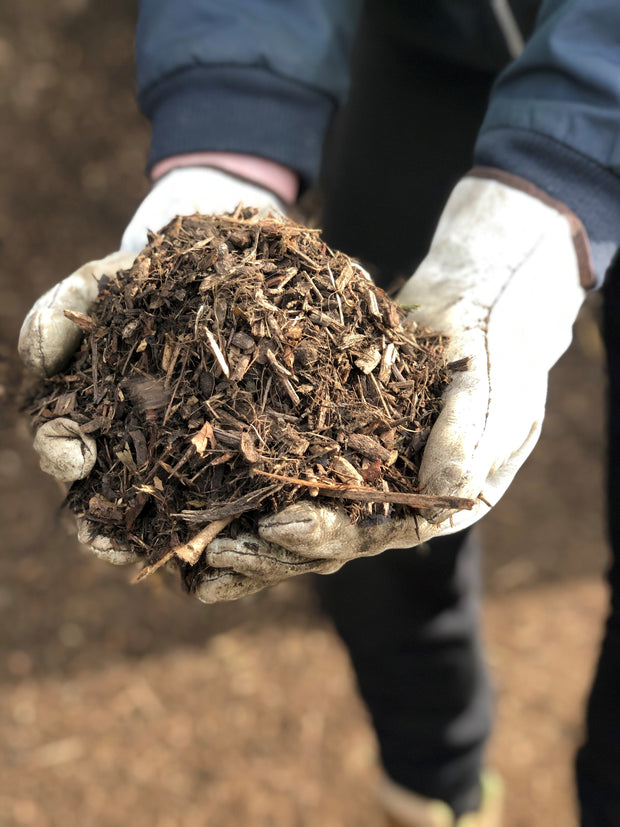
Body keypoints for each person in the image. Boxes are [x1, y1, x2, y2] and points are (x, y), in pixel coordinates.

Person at [18, 2, 620, 825]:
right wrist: (231, 136)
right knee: (368, 524)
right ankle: (435, 786)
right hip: (437, 34)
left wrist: (569, 175)